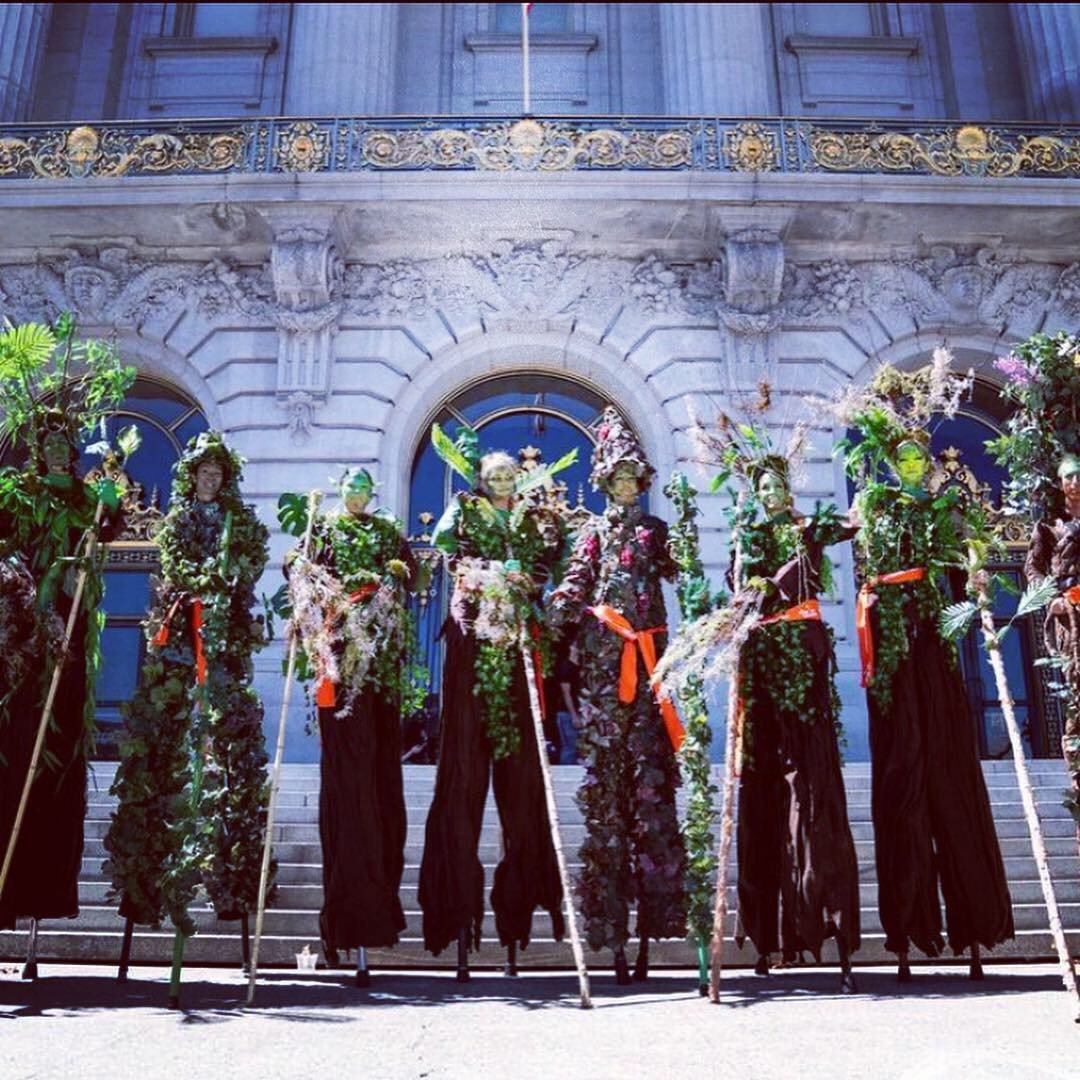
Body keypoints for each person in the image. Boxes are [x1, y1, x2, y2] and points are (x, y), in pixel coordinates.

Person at [105, 432, 271, 982]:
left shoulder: (239, 523)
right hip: (180, 645)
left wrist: (228, 582)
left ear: (227, 478)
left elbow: (248, 565)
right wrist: (202, 584)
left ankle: (235, 885)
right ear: (191, 476)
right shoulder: (175, 521)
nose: (210, 479)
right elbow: (173, 566)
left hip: (223, 645)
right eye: (203, 471)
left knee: (231, 750)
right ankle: (145, 891)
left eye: (218, 473)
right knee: (162, 743)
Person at [852, 433, 1013, 980]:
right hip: (895, 647)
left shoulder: (945, 507)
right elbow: (864, 565)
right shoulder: (878, 508)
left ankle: (973, 928)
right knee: (902, 784)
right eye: (905, 459)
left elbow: (962, 567)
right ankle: (908, 929)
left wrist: (976, 571)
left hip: (933, 646)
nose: (915, 465)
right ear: (893, 465)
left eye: (921, 457)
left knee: (950, 778)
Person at [547, 408, 686, 984]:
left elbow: (677, 573)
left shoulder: (654, 530)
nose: (626, 484)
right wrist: (555, 610)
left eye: (633, 476)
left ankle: (656, 929)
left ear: (641, 482)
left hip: (649, 664)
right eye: (617, 476)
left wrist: (695, 554)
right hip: (607, 669)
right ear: (605, 482)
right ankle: (611, 936)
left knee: (651, 794)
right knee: (607, 797)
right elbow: (579, 579)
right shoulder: (593, 532)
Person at [418, 441, 565, 979]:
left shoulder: (532, 519)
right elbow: (438, 543)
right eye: (494, 475)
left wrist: (527, 578)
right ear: (481, 480)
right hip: (475, 645)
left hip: (517, 649)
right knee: (463, 781)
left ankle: (518, 915)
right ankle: (457, 914)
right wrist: (461, 512)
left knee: (520, 787)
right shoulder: (467, 509)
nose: (503, 481)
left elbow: (558, 560)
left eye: (509, 475)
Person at [284, 467, 421, 985]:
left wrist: (398, 573)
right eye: (352, 488)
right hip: (339, 664)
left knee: (381, 784)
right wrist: (299, 566)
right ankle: (342, 915)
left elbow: (414, 573)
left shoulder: (387, 531)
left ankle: (377, 907)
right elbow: (295, 565)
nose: (359, 496)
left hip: (381, 669)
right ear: (341, 492)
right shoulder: (325, 528)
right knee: (346, 785)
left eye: (366, 489)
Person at [731, 456, 860, 991]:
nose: (770, 493)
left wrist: (866, 495)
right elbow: (742, 592)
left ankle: (823, 916)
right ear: (756, 493)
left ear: (788, 490)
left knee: (810, 788)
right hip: (763, 662)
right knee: (763, 792)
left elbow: (849, 524)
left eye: (777, 486)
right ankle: (768, 935)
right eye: (762, 486)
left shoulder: (809, 529)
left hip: (804, 661)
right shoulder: (747, 536)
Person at [1023, 451, 1080, 848]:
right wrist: (1051, 598)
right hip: (1069, 620)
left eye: (1078, 475)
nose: (1074, 482)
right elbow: (1032, 568)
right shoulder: (1048, 528)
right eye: (1068, 477)